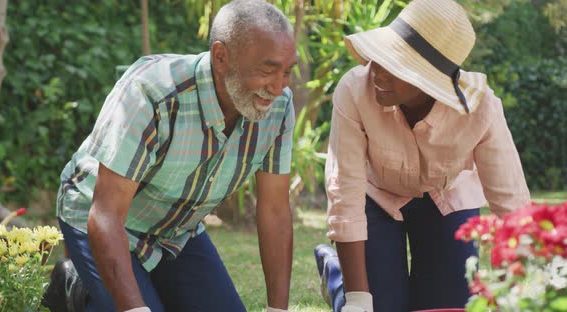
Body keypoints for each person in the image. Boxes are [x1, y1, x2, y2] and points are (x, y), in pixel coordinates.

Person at [51, 0, 297, 311]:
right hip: (99, 217)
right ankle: (75, 288)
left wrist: (278, 309)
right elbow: (106, 214)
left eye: (287, 72)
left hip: (176, 231)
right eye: (267, 70)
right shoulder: (153, 92)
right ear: (221, 57)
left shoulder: (279, 107)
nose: (277, 88)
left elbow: (275, 210)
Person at [314, 0, 531, 311]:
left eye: (394, 65)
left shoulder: (481, 109)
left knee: (446, 305)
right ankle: (337, 274)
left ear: (431, 81)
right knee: (375, 306)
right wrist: (359, 299)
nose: (377, 71)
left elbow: (510, 202)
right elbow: (344, 191)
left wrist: (520, 285)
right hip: (377, 197)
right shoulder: (353, 90)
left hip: (446, 197)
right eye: (379, 57)